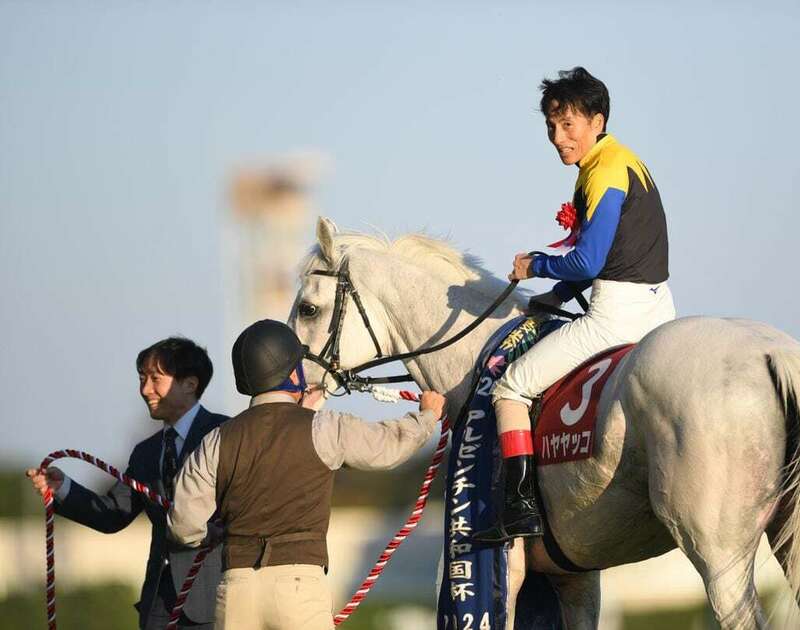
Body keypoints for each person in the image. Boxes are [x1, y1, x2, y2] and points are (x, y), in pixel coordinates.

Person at [473, 67, 676, 544]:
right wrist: (555, 296)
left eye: (568, 125)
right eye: (551, 127)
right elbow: (591, 267)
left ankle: (519, 510)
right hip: (659, 311)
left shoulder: (601, 171)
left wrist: (535, 266)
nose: (558, 137)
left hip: (615, 317)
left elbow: (587, 259)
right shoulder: (623, 159)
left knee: (510, 389)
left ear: (597, 121)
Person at [167, 319, 445, 630]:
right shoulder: (323, 426)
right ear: (292, 373)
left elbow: (184, 525)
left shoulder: (217, 439)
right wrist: (427, 415)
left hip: (236, 590)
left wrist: (213, 533)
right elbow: (387, 447)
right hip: (299, 588)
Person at [25, 337, 228, 629]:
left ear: (190, 384)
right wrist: (63, 488)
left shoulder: (226, 434)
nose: (145, 390)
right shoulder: (145, 452)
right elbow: (113, 513)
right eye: (142, 378)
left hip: (214, 600)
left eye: (155, 378)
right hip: (158, 603)